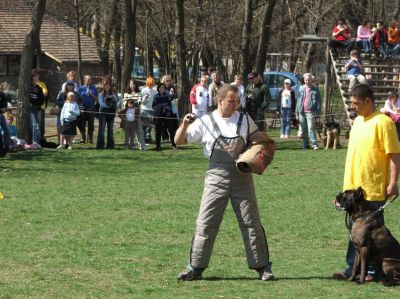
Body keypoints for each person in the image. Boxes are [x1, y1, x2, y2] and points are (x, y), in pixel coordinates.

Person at [174, 84, 275, 281]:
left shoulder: (245, 119)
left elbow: (259, 139)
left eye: (237, 101)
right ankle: (195, 268)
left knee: (251, 223)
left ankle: (263, 268)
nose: (235, 105)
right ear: (220, 101)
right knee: (206, 223)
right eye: (231, 101)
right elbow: (179, 141)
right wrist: (185, 124)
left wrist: (263, 148)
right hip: (215, 178)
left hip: (242, 178)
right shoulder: (205, 121)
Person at [333, 83, 400, 282]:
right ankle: (351, 269)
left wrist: (393, 181)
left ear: (368, 100)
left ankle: (372, 271)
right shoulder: (358, 122)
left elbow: (395, 155)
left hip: (374, 187)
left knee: (374, 235)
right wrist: (345, 190)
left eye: (356, 103)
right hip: (353, 189)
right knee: (355, 231)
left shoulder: (383, 122)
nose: (353, 107)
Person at [295, 73, 321, 150]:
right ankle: (306, 145)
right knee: (304, 129)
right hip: (301, 111)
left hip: (311, 111)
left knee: (311, 128)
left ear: (311, 80)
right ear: (304, 80)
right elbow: (298, 101)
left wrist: (318, 112)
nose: (307, 81)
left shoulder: (315, 89)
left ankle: (314, 144)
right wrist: (296, 113)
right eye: (306, 80)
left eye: (309, 80)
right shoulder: (301, 89)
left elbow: (319, 101)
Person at [121, 79, 147, 150]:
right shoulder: (126, 94)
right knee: (128, 132)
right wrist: (130, 103)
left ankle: (142, 145)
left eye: (134, 84)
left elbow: (139, 102)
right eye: (131, 84)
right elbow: (124, 104)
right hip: (128, 116)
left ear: (136, 85)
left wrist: (132, 102)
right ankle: (129, 145)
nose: (132, 85)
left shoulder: (139, 93)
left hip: (136, 115)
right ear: (129, 85)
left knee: (139, 130)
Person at [96, 77, 119, 149]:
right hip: (102, 113)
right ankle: (100, 145)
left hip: (111, 114)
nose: (107, 87)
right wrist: (110, 106)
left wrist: (114, 103)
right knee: (102, 129)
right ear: (103, 86)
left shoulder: (113, 94)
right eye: (106, 85)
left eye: (108, 86)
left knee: (110, 129)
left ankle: (110, 145)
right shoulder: (100, 94)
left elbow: (118, 102)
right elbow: (101, 104)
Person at [152, 83, 176, 150]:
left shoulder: (168, 95)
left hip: (167, 115)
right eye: (160, 87)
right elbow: (153, 106)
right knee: (158, 131)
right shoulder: (156, 96)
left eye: (163, 87)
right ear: (158, 88)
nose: (161, 89)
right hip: (158, 115)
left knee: (171, 130)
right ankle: (158, 146)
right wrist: (160, 108)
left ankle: (173, 145)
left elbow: (170, 104)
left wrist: (166, 108)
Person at [77, 75, 98, 143]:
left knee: (91, 124)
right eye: (88, 79)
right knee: (81, 123)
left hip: (91, 108)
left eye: (90, 79)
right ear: (84, 80)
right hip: (82, 108)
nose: (89, 81)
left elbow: (97, 99)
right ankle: (83, 137)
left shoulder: (94, 88)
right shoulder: (80, 88)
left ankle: (90, 138)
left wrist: (91, 94)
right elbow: (77, 99)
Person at [31, 69, 49, 145]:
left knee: (40, 124)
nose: (37, 77)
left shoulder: (41, 84)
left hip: (41, 107)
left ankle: (40, 138)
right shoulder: (29, 84)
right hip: (32, 108)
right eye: (35, 75)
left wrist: (40, 95)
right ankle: (34, 139)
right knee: (34, 123)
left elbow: (45, 93)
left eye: (38, 75)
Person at [141, 77, 157, 143]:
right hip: (144, 109)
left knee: (150, 126)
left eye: (152, 83)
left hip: (152, 110)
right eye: (150, 83)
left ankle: (148, 138)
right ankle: (143, 138)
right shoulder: (144, 90)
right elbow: (143, 102)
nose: (151, 85)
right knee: (143, 125)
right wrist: (145, 98)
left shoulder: (155, 91)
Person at [30, 74, 44, 144]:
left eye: (36, 80)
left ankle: (38, 141)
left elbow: (42, 100)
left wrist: (37, 103)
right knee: (34, 124)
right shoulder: (28, 87)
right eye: (34, 79)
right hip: (31, 110)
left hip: (38, 109)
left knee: (38, 125)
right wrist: (31, 103)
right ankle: (34, 141)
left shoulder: (39, 88)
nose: (35, 81)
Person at [0, 84, 10, 156]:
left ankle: (7, 146)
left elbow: (5, 104)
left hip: (1, 115)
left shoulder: (2, 95)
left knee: (6, 130)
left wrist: (3, 108)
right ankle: (1, 149)